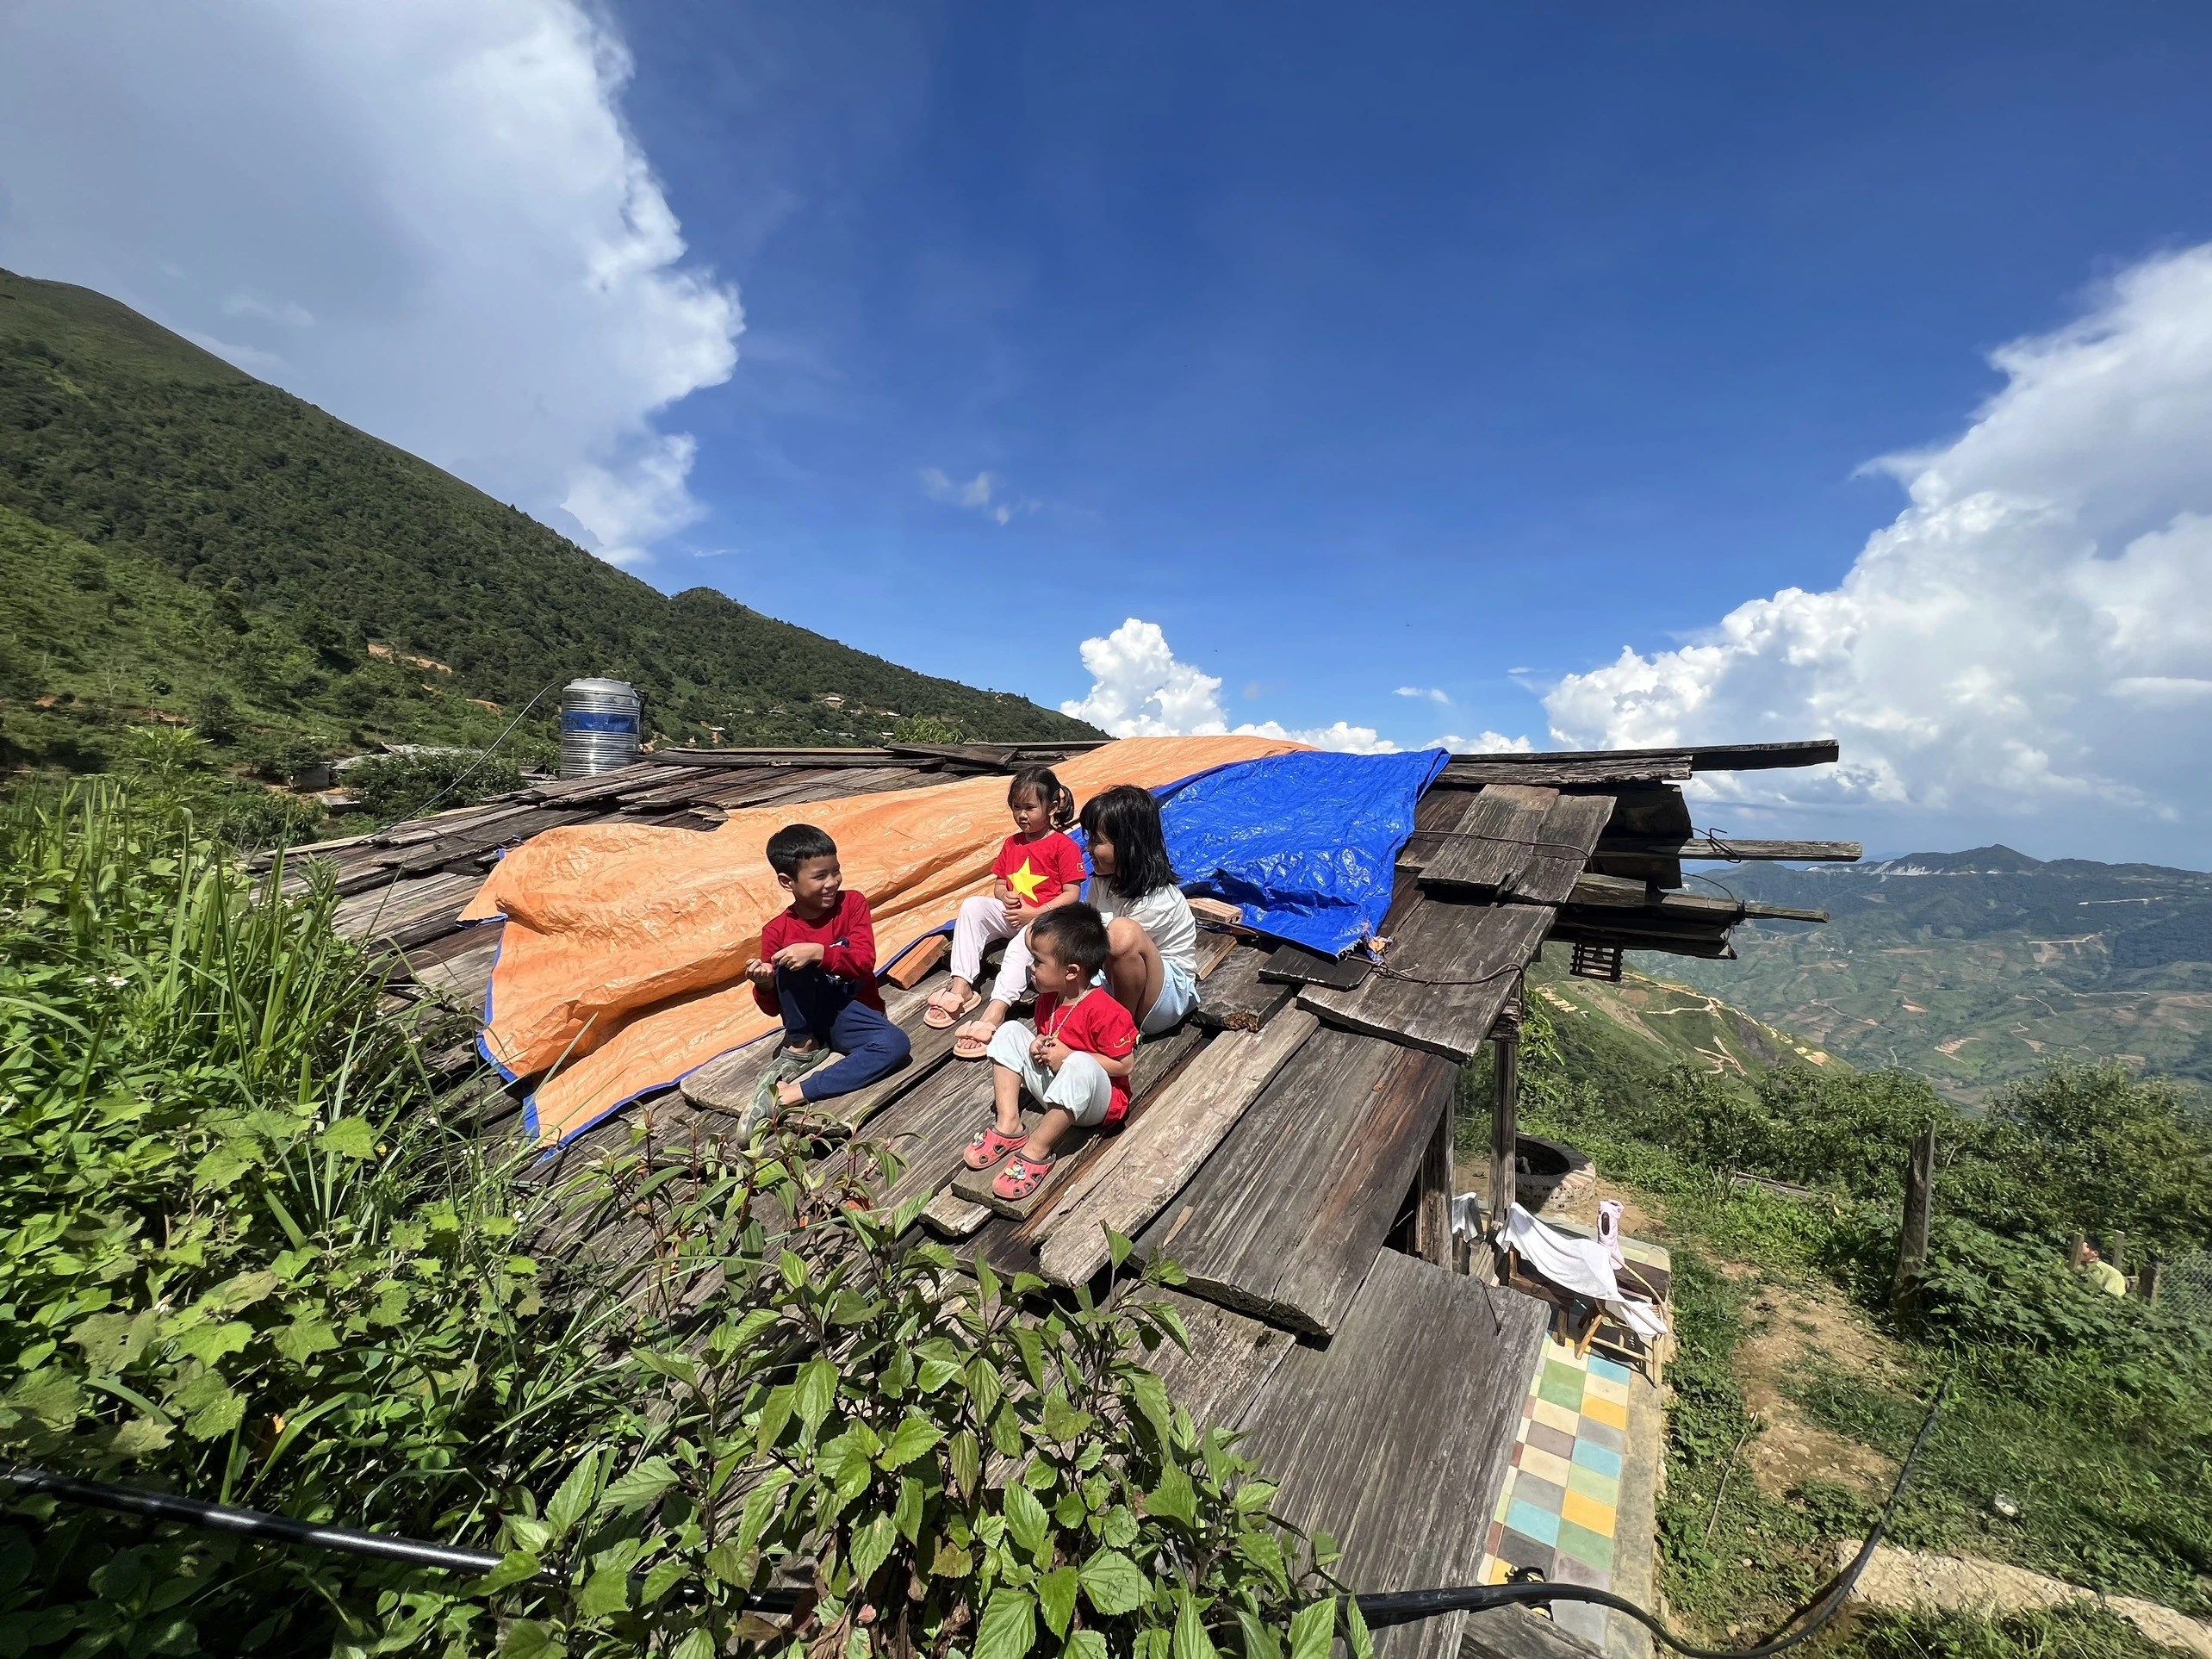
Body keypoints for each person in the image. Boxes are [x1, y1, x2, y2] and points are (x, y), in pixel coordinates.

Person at [740, 823, 911, 1138]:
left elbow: (864, 962)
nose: (832, 882)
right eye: (820, 876)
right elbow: (774, 1007)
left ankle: (793, 1093)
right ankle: (803, 1046)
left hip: (850, 1012)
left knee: (896, 1045)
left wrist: (819, 952)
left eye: (836, 871)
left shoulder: (853, 904)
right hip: (805, 1021)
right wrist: (763, 983)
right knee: (789, 964)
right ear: (787, 882)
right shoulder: (776, 931)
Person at [962, 905, 1138, 1202]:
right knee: (1009, 1030)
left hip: (1094, 1104)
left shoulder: (1107, 1011)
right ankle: (1009, 1123)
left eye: (1038, 962)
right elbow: (1051, 1036)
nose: (1031, 968)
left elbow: (1124, 1065)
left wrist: (1068, 1056)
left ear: (1071, 972)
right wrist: (1038, 1043)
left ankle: (1037, 1148)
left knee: (1079, 1063)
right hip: (1055, 1087)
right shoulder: (1048, 998)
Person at [927, 766, 1086, 1060]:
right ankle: (961, 986)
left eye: (1030, 807)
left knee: (1023, 941)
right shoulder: (1012, 843)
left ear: (1052, 807)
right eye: (1016, 807)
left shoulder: (1064, 846)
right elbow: (1000, 884)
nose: (1022, 815)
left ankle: (996, 1010)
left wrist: (1035, 913)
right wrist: (1005, 896)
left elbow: (1072, 895)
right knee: (973, 906)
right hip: (1015, 914)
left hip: (1047, 921)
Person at [1079, 783, 1201, 1035]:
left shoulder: (1159, 899)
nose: (1088, 848)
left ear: (1127, 845)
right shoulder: (1103, 882)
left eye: (1096, 841)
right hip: (1114, 978)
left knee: (1122, 933)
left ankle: (1120, 1029)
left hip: (1161, 996)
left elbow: (1116, 951)